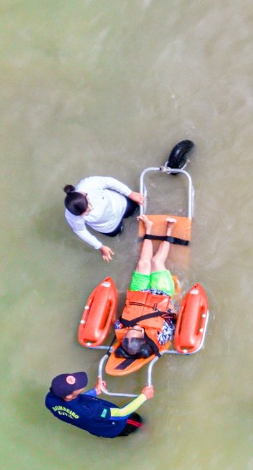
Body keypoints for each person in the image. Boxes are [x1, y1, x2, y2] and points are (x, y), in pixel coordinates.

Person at [112, 218, 181, 363]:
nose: (133, 327)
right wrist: (171, 307)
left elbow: (116, 319)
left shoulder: (121, 327)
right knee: (156, 262)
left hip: (139, 293)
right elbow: (174, 320)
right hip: (161, 293)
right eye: (136, 330)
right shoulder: (160, 336)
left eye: (129, 330)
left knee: (143, 263)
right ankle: (169, 230)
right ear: (143, 337)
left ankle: (148, 228)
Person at [45, 371, 153, 437]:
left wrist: (95, 391)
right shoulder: (91, 410)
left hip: (94, 427)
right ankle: (146, 430)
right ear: (68, 395)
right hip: (116, 425)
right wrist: (144, 396)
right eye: (79, 386)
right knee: (139, 423)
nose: (82, 384)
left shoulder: (50, 399)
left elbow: (75, 402)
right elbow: (122, 414)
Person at [64, 178, 145, 261]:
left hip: (121, 204)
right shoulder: (71, 216)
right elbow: (81, 231)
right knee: (119, 232)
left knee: (135, 210)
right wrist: (100, 246)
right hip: (110, 226)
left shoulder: (89, 184)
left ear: (86, 196)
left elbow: (110, 182)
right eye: (85, 214)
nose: (90, 211)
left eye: (88, 209)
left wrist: (130, 193)